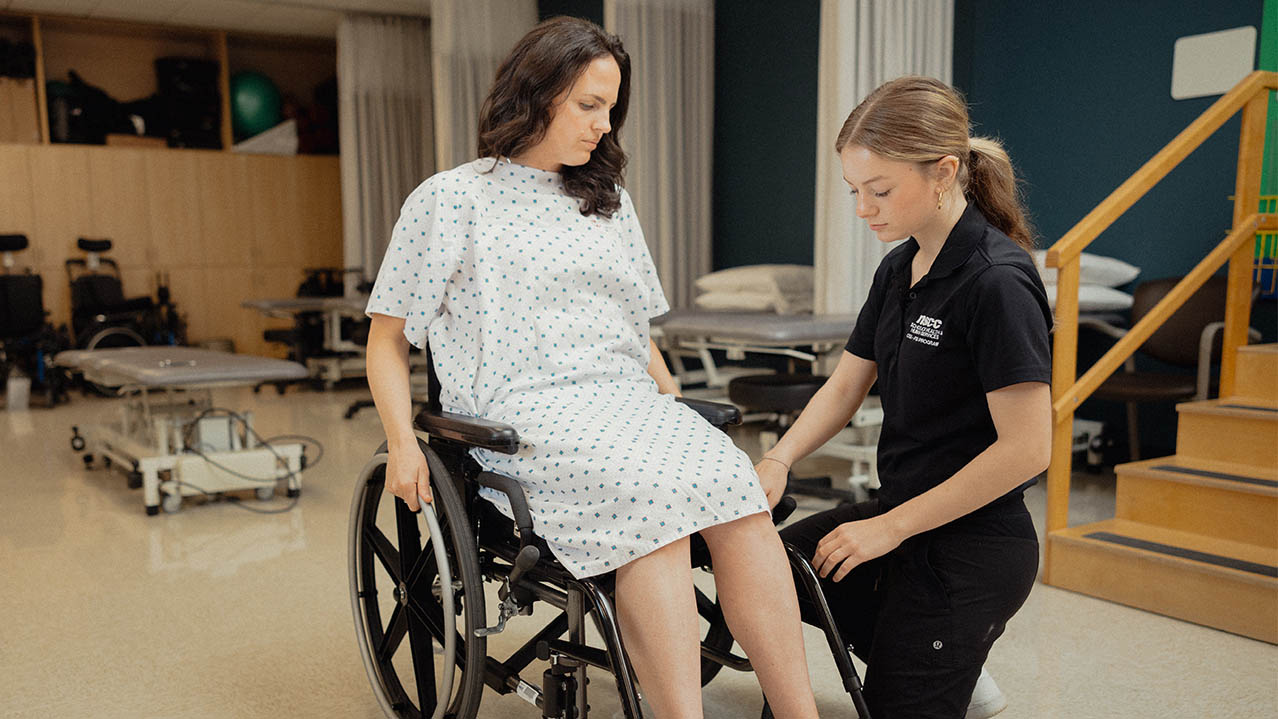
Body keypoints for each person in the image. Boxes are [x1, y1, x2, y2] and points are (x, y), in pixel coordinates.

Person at [363, 17, 819, 719]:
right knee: (651, 503)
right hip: (524, 418)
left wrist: (676, 406)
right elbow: (387, 339)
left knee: (736, 488)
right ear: (535, 93)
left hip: (626, 405)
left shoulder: (608, 202)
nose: (605, 126)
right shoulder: (452, 199)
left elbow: (634, 328)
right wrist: (401, 442)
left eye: (611, 108)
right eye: (589, 105)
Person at [755, 76, 1052, 719]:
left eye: (880, 190)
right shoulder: (900, 266)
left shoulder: (996, 282)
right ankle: (942, 661)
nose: (864, 209)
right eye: (854, 190)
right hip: (902, 513)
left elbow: (1028, 450)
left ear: (943, 172)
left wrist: (888, 529)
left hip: (970, 547)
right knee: (760, 571)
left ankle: (947, 653)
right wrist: (779, 458)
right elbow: (847, 382)